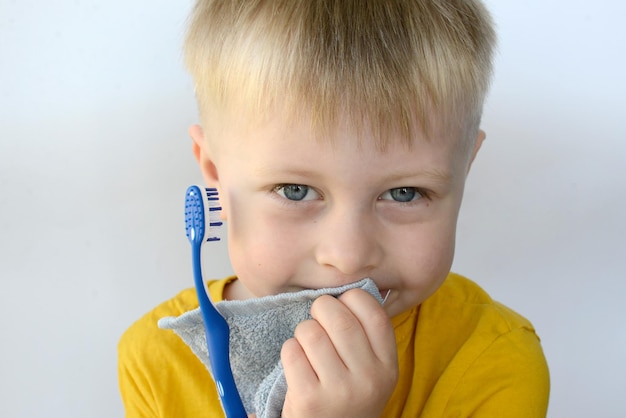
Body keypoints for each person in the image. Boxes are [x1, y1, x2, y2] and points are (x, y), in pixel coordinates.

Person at [118, 0, 550, 416]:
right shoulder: (155, 361)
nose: (349, 256)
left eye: (404, 193)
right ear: (215, 174)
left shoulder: (495, 359)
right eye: (295, 191)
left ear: (464, 170)